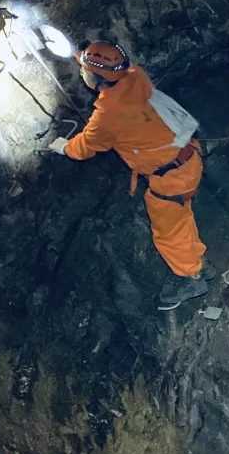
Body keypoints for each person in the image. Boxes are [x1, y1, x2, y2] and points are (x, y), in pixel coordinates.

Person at [49, 41, 208, 310]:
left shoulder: (107, 116)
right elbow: (115, 71)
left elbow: (86, 147)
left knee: (168, 231)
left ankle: (191, 277)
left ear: (95, 78)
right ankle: (196, 261)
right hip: (187, 157)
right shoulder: (135, 76)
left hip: (170, 178)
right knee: (181, 216)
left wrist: (62, 147)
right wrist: (81, 57)